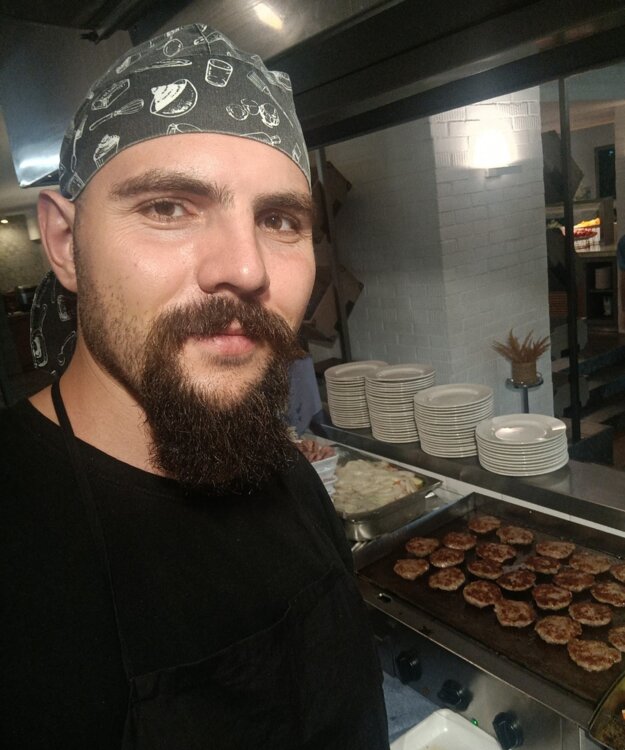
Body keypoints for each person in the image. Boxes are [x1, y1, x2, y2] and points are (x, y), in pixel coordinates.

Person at [1, 24, 389, 749]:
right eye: (168, 207)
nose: (245, 268)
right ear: (64, 243)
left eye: (279, 219)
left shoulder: (288, 474)